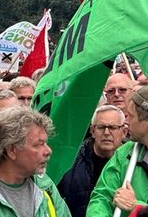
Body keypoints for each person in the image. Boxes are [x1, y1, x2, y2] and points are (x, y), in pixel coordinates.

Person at [87, 86, 148, 216]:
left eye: (130, 116)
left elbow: (133, 205)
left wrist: (137, 207)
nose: (126, 122)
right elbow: (102, 197)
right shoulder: (126, 152)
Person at [58, 105, 126, 217]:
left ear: (124, 131)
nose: (107, 133)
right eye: (101, 127)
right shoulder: (70, 162)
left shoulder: (135, 160)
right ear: (92, 131)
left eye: (113, 127)